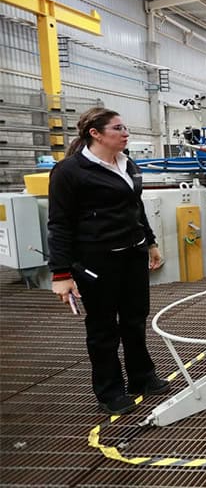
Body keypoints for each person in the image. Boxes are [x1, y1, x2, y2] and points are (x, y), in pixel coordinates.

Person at [47, 107, 169, 416]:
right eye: (118, 128)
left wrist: (150, 242)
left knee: (134, 319)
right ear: (96, 134)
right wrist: (61, 273)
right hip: (96, 261)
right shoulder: (70, 172)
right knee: (103, 329)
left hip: (133, 255)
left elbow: (135, 208)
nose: (125, 132)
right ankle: (109, 390)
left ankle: (141, 377)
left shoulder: (127, 164)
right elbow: (59, 224)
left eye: (125, 127)